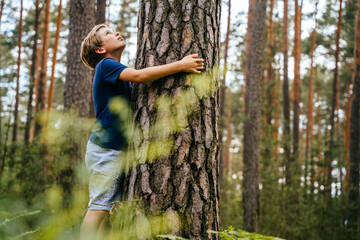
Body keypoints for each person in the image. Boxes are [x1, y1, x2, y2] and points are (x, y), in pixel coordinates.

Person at [79, 24, 204, 240]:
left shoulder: (117, 71)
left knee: (109, 209)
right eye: (108, 33)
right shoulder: (106, 65)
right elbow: (140, 76)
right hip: (106, 149)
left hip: (113, 150)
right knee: (100, 204)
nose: (116, 32)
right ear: (100, 49)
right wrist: (180, 64)